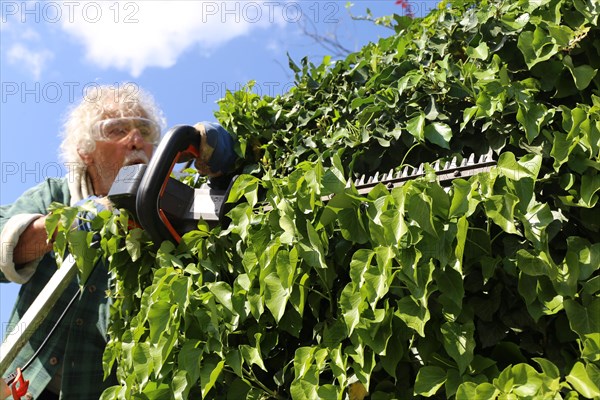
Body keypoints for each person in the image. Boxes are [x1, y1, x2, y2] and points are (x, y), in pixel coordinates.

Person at [0, 85, 236, 399]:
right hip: (18, 386)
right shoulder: (58, 196)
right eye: (117, 130)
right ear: (86, 150)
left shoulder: (173, 214)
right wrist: (73, 222)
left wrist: (227, 166)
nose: (135, 139)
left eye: (145, 130)